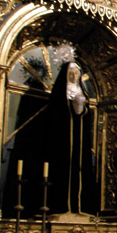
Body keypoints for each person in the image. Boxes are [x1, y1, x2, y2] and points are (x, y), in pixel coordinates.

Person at [47, 61, 96, 214]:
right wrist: (72, 107)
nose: (74, 76)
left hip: (80, 142)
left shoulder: (82, 92)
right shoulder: (60, 94)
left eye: (76, 73)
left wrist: (81, 109)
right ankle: (62, 207)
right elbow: (56, 115)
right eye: (71, 73)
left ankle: (81, 207)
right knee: (63, 170)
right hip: (63, 142)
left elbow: (87, 118)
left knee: (81, 169)